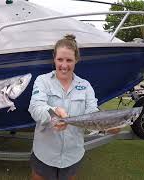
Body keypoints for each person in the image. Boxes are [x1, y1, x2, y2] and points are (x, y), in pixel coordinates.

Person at [28, 35, 120, 180]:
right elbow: (35, 107)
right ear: (54, 59)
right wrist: (53, 113)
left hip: (73, 154)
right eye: (60, 59)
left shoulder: (85, 86)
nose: (64, 65)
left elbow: (92, 112)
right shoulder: (42, 81)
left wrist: (107, 125)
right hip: (44, 152)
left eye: (69, 60)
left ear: (76, 60)